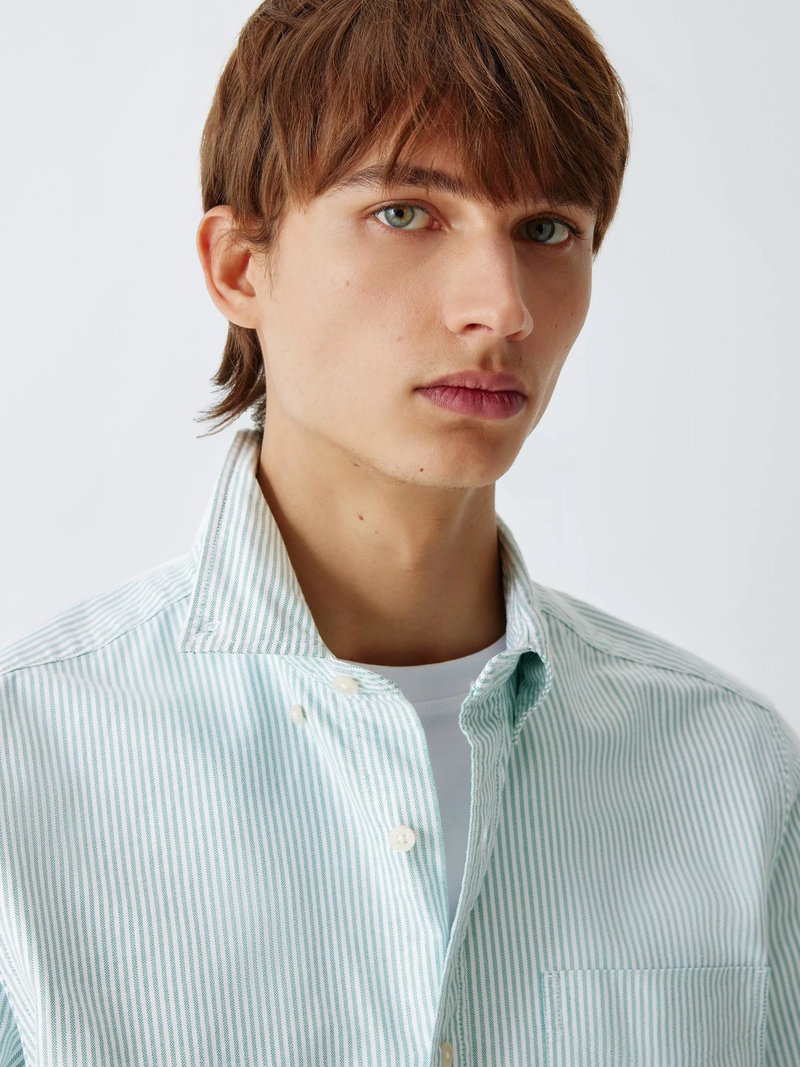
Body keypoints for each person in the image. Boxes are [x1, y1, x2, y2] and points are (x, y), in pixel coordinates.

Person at [1, 0, 797, 1063]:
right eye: (406, 212)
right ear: (240, 267)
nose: (502, 308)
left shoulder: (732, 769)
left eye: (546, 230)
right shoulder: (26, 762)